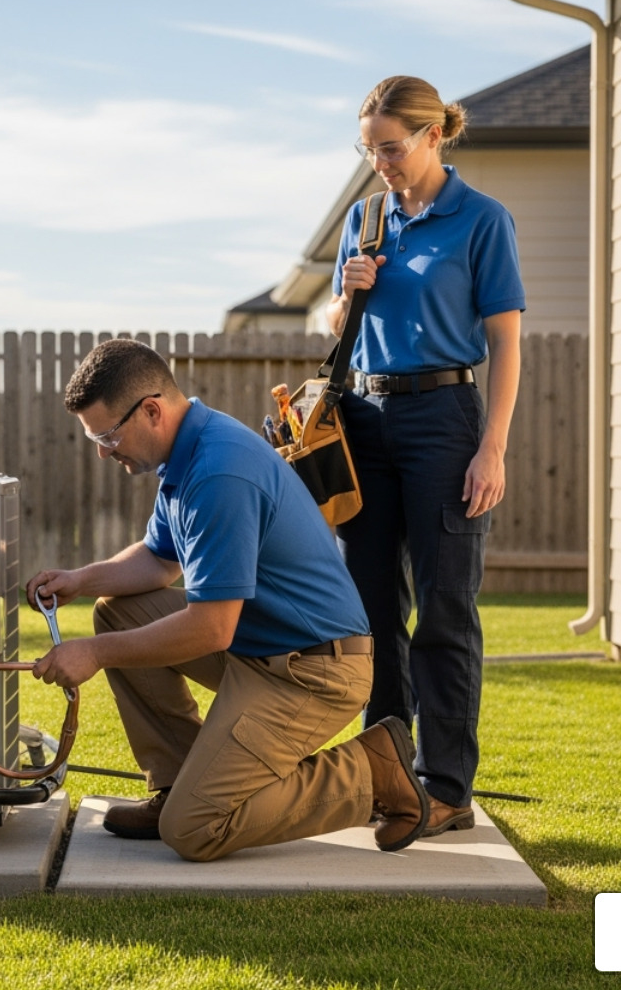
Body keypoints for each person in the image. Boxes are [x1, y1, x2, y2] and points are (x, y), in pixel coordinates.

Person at [25, 338, 432, 861]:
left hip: (315, 673)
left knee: (194, 829)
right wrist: (81, 580)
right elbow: (159, 561)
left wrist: (96, 654)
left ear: (151, 410)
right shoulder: (188, 453)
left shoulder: (219, 472)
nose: (103, 451)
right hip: (262, 650)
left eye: (106, 435)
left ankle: (372, 771)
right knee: (117, 610)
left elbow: (211, 628)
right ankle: (177, 783)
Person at [326, 76, 524, 846]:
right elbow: (343, 324)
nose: (379, 162)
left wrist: (493, 448)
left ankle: (446, 787)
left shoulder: (482, 220)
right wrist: (346, 295)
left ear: (433, 134)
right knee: (372, 608)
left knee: (444, 606)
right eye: (368, 149)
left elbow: (506, 342)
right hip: (364, 419)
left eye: (391, 147)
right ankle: (390, 776)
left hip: (444, 419)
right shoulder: (365, 219)